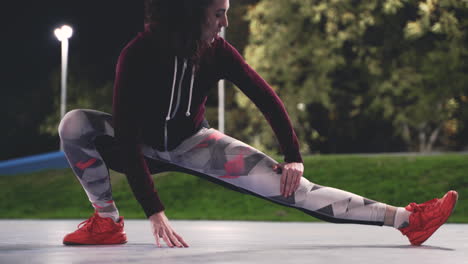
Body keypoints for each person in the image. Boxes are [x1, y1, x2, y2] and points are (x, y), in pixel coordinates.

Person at [58, 0, 458, 247]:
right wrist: (153, 211)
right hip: (140, 145)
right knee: (75, 124)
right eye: (219, 14)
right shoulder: (138, 54)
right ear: (189, 13)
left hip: (195, 143)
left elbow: (265, 96)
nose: (225, 23)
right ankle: (107, 222)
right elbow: (126, 138)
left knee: (296, 189)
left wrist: (293, 155)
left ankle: (409, 220)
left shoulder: (218, 52)